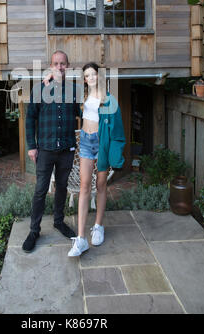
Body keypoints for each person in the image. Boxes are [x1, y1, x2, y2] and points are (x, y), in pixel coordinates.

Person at [22, 51, 81, 253]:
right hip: (45, 150)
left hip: (66, 149)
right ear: (50, 65)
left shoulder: (74, 90)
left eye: (63, 63)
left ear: (67, 66)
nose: (59, 67)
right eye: (56, 63)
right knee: (40, 190)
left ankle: (58, 221)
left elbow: (81, 113)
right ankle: (34, 230)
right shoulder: (39, 89)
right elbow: (30, 119)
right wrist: (31, 145)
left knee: (62, 187)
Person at [68, 62, 126, 257]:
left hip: (101, 143)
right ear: (84, 79)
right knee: (85, 186)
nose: (91, 78)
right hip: (85, 141)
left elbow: (118, 131)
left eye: (93, 74)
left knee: (101, 185)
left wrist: (115, 154)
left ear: (99, 76)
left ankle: (99, 225)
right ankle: (81, 238)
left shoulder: (109, 100)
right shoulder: (83, 96)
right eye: (87, 75)